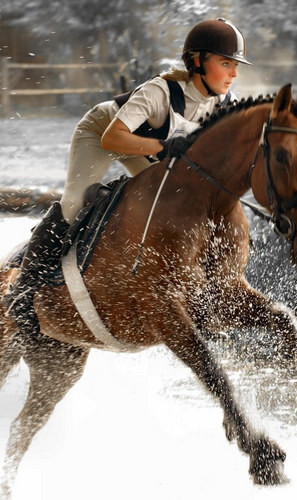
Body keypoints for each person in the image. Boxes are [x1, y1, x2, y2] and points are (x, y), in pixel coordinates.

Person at [3, 18, 252, 333]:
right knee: (73, 205)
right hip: (101, 132)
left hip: (145, 147)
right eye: (226, 63)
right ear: (198, 61)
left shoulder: (224, 106)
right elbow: (112, 138)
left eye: (236, 65)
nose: (234, 73)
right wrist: (163, 145)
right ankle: (22, 288)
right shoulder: (160, 92)